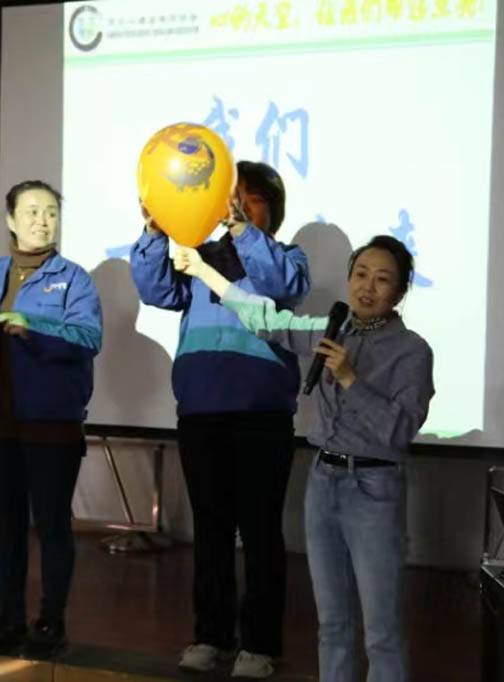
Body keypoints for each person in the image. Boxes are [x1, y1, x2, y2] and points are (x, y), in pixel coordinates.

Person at [174, 235, 434, 682]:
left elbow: (400, 430)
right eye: (360, 275)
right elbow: (263, 318)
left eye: (382, 279)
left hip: (373, 488)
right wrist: (202, 272)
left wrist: (350, 379)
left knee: (381, 630)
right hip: (323, 481)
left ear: (400, 291)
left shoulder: (412, 350)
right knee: (331, 623)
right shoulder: (333, 330)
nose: (367, 287)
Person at [130, 161, 310, 678]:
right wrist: (155, 230)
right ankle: (210, 636)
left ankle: (259, 646)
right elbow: (155, 291)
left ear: (272, 209)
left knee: (260, 533)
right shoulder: (198, 256)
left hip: (262, 415)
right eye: (233, 197)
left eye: (252, 198)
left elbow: (282, 285)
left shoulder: (287, 257)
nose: (239, 204)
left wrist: (239, 228)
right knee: (209, 533)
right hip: (202, 410)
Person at [0, 180, 102, 660]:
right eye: (32, 211)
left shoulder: (74, 278)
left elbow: (88, 338)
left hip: (51, 424)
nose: (42, 220)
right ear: (11, 220)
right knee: (6, 527)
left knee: (52, 526)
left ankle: (51, 622)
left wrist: (35, 328)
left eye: (51, 212)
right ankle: (8, 620)